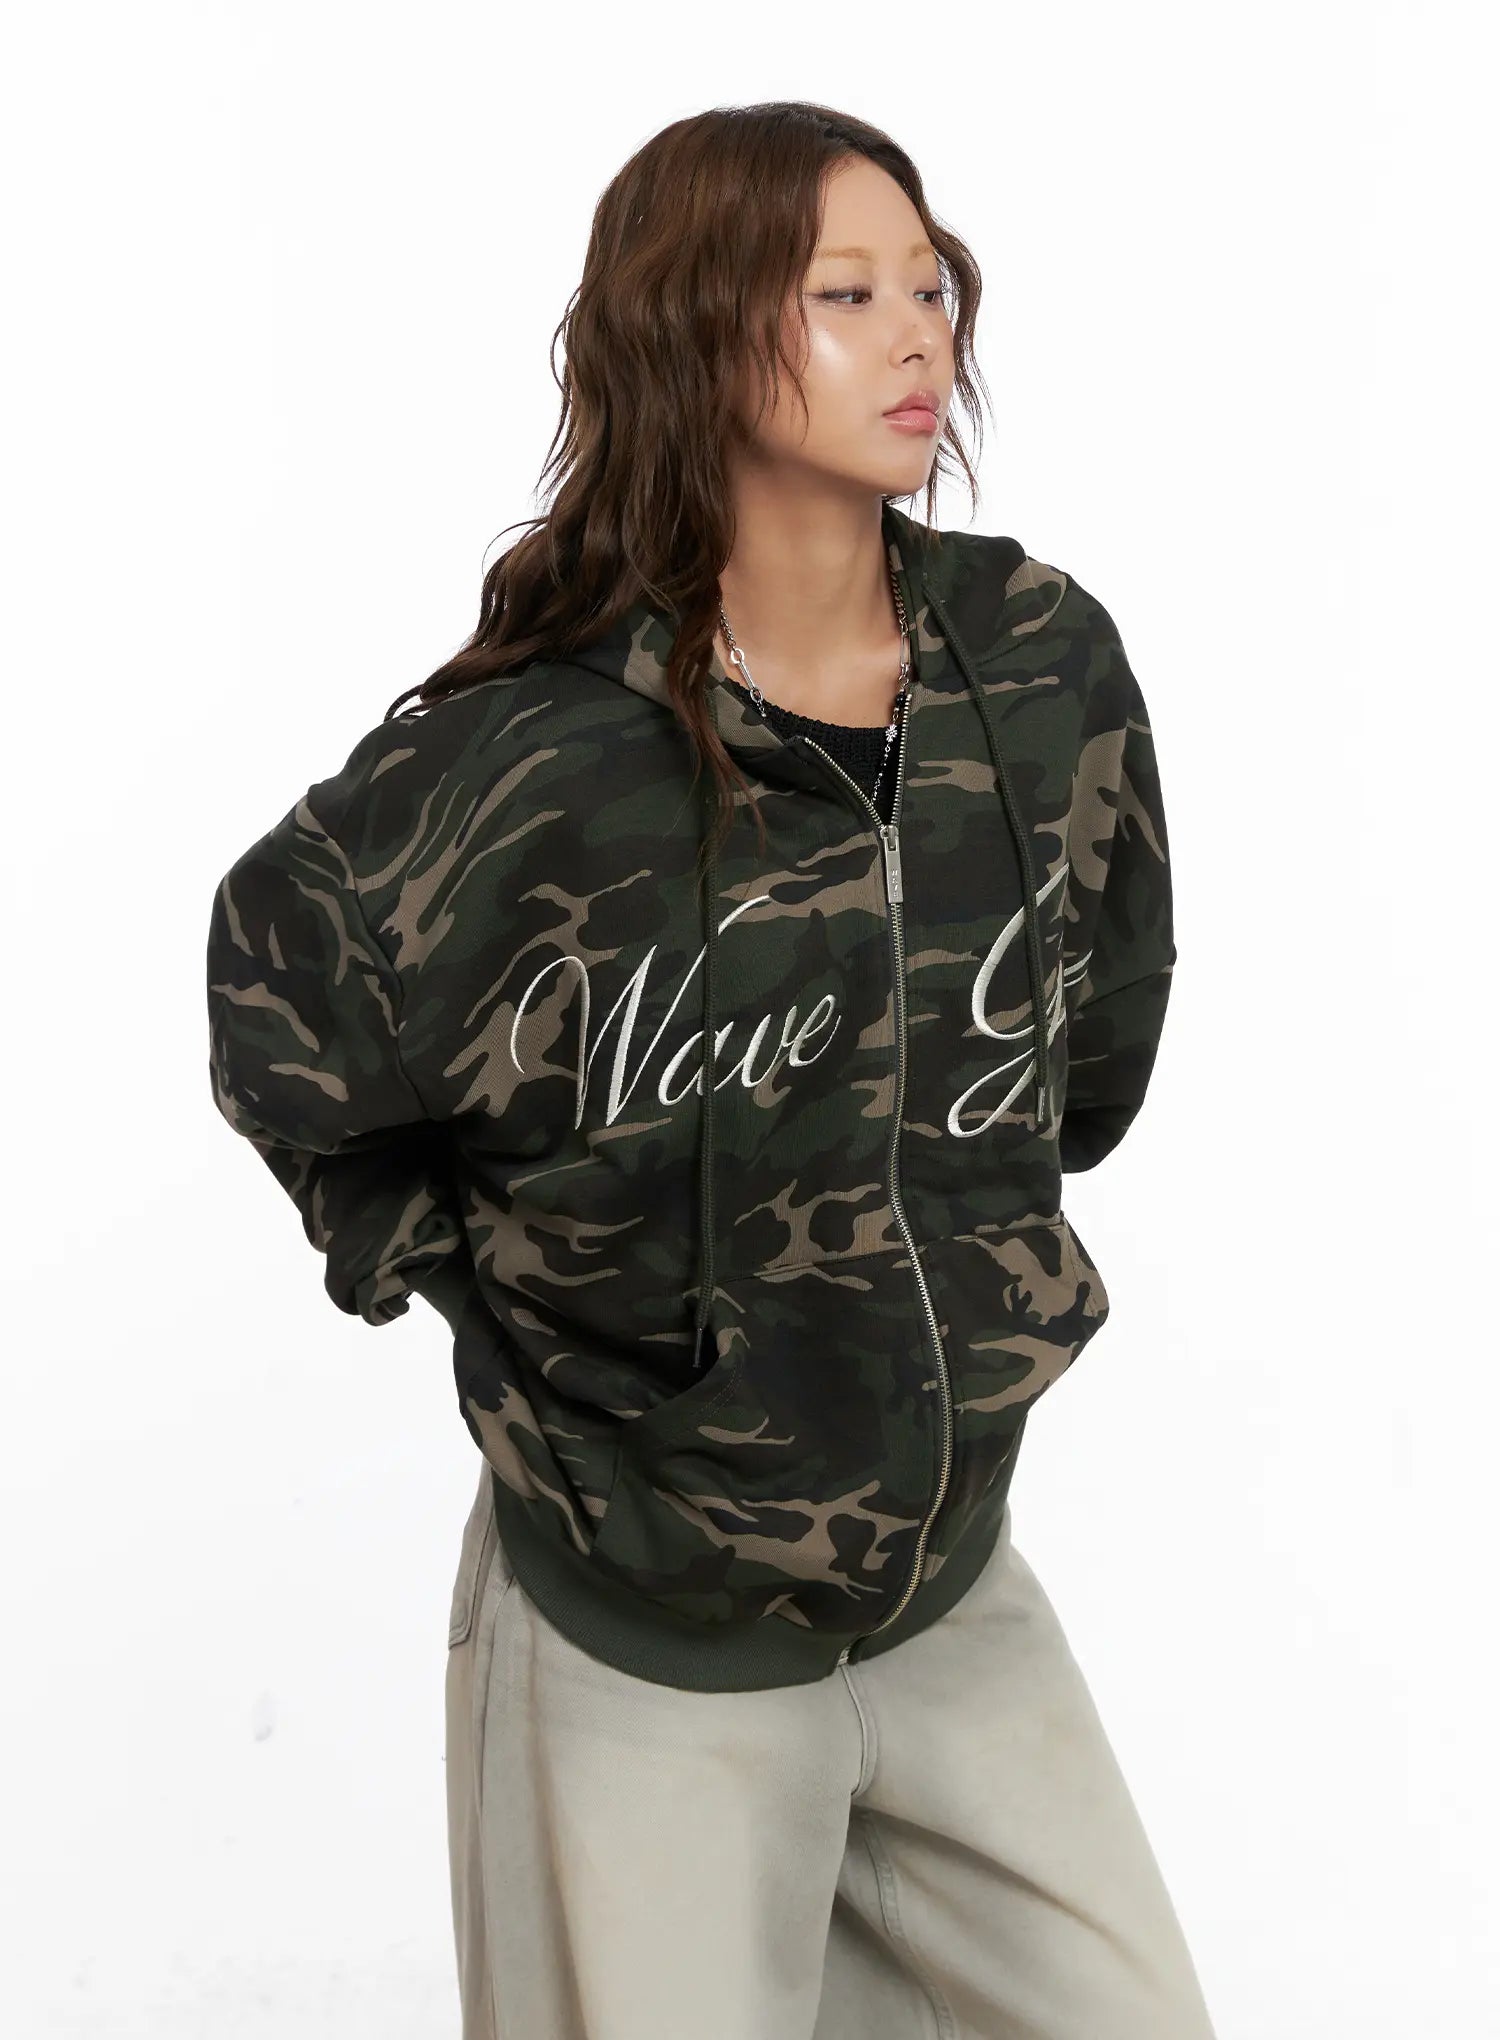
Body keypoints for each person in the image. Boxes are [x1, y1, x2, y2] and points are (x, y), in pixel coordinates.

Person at [205, 100, 1217, 2040]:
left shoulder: (1036, 662)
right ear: (692, 333)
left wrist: (972, 1233)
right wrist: (534, 1328)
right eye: (846, 295)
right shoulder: (538, 761)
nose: (917, 336)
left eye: (931, 286)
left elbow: (1094, 1034)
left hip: (946, 1590)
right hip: (645, 1629)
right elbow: (281, 984)